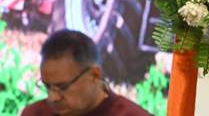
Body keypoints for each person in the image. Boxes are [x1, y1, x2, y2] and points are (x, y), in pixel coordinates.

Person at [21, 29, 150, 116]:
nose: (53, 98)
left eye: (62, 87)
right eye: (47, 86)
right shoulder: (35, 113)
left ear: (95, 75)